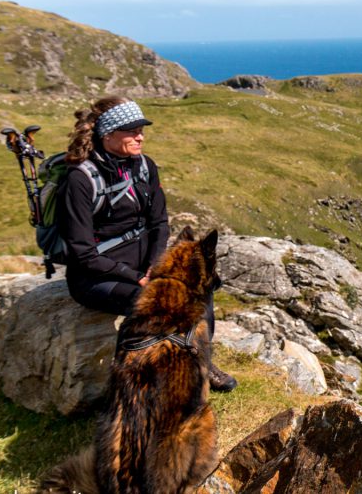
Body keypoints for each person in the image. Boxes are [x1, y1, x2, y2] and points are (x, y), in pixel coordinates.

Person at [59, 95, 237, 392]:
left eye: (141, 129)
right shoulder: (80, 179)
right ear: (108, 134)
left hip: (145, 268)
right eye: (132, 130)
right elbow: (81, 252)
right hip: (97, 278)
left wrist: (157, 268)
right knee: (163, 305)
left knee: (199, 287)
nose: (140, 136)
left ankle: (202, 362)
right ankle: (158, 375)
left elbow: (159, 223)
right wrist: (137, 278)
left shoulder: (144, 167)